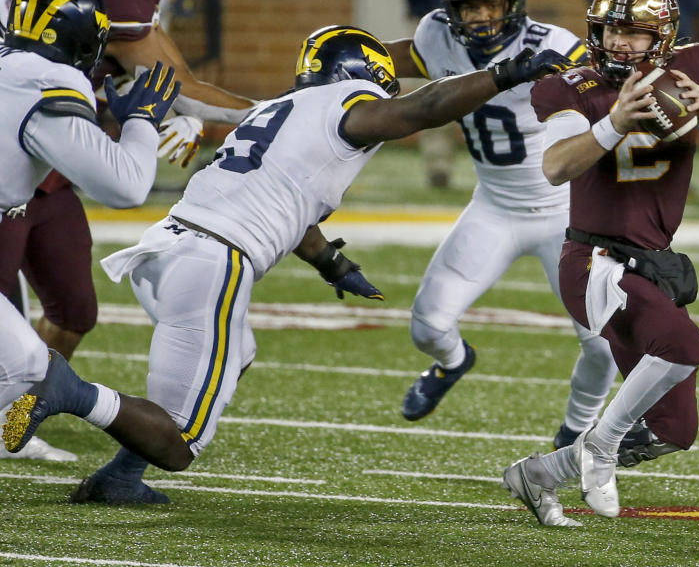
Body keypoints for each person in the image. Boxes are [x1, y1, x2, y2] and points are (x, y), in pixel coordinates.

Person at [64, 25, 574, 505]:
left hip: (167, 249)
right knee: (181, 442)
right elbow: (427, 108)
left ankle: (121, 476)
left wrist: (331, 262)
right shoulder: (346, 102)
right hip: (210, 262)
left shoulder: (286, 108)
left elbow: (291, 203)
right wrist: (507, 73)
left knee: (237, 351)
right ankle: (68, 390)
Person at [501, 0, 699, 527]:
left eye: (633, 33)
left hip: (650, 264)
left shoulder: (693, 68)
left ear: (665, 36)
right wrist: (612, 124)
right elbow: (555, 167)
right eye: (609, 31)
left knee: (675, 432)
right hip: (593, 262)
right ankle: (598, 448)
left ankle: (537, 475)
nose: (618, 43)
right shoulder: (571, 86)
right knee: (683, 343)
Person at [381, 0, 618, 441]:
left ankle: (576, 431)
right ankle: (453, 362)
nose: (482, 16)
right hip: (494, 206)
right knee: (427, 326)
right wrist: (346, 59)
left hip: (567, 214)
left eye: (491, 3)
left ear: (515, 2)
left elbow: (617, 90)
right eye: (469, 5)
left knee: (602, 345)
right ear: (452, 8)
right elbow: (395, 57)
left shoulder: (556, 44)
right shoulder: (438, 38)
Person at [1, 0, 195, 479]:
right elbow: (125, 186)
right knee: (22, 370)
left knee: (21, 363)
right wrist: (142, 122)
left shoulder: (11, 66)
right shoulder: (49, 81)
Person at [375, 0, 521, 188]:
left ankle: (509, 165)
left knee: (502, 88)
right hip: (430, 7)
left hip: (488, 17)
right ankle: (438, 165)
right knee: (433, 92)